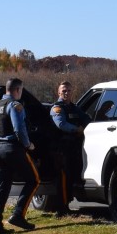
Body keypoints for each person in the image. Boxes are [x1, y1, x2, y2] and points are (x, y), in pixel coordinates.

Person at [0, 78, 40, 234]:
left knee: (2, 190)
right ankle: (18, 215)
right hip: (13, 149)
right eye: (21, 90)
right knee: (33, 180)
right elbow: (19, 129)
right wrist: (28, 144)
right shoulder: (15, 105)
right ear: (17, 90)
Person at [46, 80, 87, 217]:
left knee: (70, 178)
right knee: (63, 179)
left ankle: (66, 205)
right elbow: (61, 124)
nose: (67, 93)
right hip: (61, 150)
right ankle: (61, 209)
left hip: (74, 149)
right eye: (64, 91)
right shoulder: (57, 108)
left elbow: (86, 119)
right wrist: (77, 130)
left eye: (69, 90)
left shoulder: (75, 108)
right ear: (58, 92)